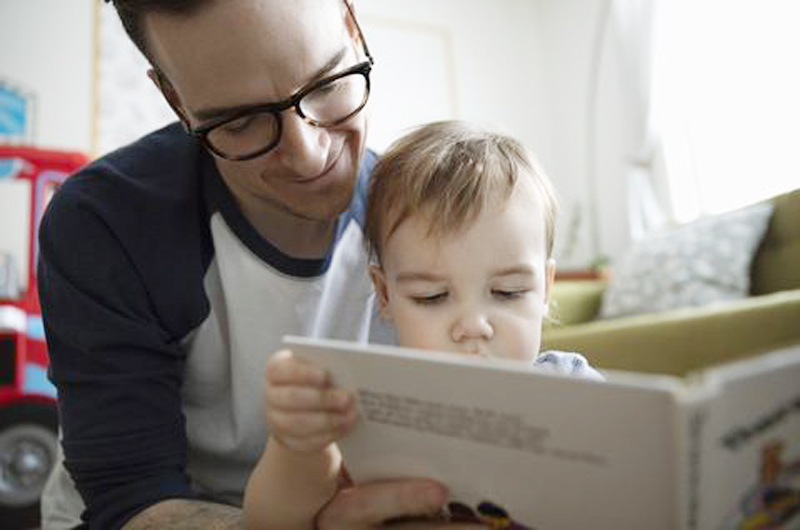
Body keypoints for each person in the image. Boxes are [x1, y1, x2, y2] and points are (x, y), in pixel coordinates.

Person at [38, 1, 482, 529]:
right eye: (241, 121)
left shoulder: (428, 221)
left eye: (328, 83)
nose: (308, 154)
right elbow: (129, 500)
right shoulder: (106, 223)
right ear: (176, 101)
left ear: (352, 26)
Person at [246, 121, 603, 529]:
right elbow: (272, 524)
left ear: (545, 288)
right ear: (385, 296)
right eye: (431, 297)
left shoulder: (575, 391)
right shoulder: (370, 407)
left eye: (507, 291)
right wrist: (295, 446)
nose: (473, 327)